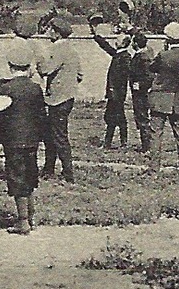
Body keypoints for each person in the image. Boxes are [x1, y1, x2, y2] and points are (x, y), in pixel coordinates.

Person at [0, 43, 47, 235]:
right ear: (28, 67)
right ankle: (30, 217)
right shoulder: (35, 89)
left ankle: (23, 222)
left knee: (17, 179)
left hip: (12, 141)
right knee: (30, 176)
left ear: (10, 66)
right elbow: (41, 116)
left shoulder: (5, 89)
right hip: (32, 140)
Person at [0, 10, 38, 166]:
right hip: (20, 88)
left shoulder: (6, 45)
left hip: (0, 86)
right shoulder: (32, 48)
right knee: (15, 124)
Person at [143, 22, 179, 172]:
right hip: (178, 99)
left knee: (156, 134)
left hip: (160, 98)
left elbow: (152, 68)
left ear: (168, 40)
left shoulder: (163, 56)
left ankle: (154, 168)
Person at [36, 17, 82, 184]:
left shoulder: (58, 49)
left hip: (57, 99)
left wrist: (39, 58)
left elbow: (46, 69)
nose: (48, 33)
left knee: (58, 136)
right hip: (66, 97)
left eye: (50, 30)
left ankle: (68, 174)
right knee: (52, 134)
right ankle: (49, 169)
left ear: (56, 32)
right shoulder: (72, 49)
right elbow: (80, 75)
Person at [90, 16, 132, 149]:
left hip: (117, 93)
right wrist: (96, 35)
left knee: (114, 117)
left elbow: (123, 77)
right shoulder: (118, 54)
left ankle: (114, 143)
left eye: (118, 40)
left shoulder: (125, 57)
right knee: (115, 117)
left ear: (124, 43)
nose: (116, 40)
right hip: (114, 93)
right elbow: (106, 46)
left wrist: (114, 91)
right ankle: (117, 142)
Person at [126, 30, 153, 151]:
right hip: (139, 92)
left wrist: (139, 85)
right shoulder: (143, 54)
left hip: (141, 93)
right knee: (140, 117)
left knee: (142, 117)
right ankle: (146, 144)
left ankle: (147, 145)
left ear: (135, 44)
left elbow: (149, 76)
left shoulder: (143, 57)